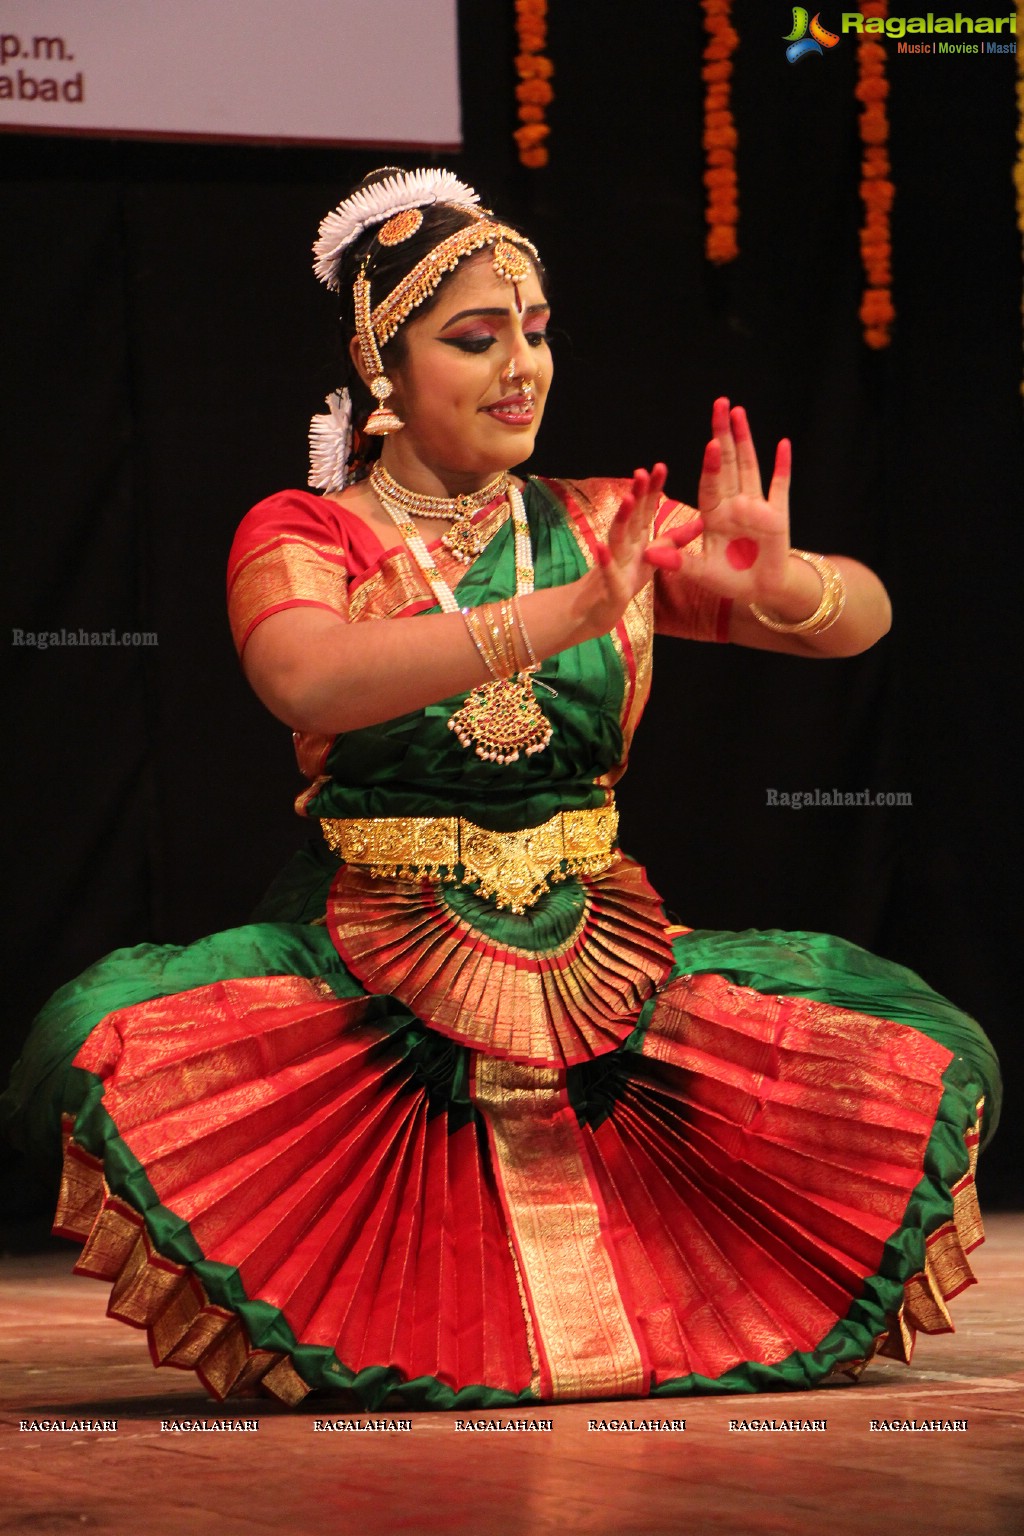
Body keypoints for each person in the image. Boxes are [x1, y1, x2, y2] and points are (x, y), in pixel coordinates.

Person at [2, 168, 1000, 1410]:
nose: (520, 365)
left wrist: (783, 581)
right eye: (474, 339)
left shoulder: (594, 522)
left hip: (597, 957)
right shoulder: (309, 532)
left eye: (532, 333)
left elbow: (859, 623)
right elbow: (304, 678)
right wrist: (553, 619)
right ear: (383, 368)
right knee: (91, 1044)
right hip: (372, 962)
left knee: (920, 1056)